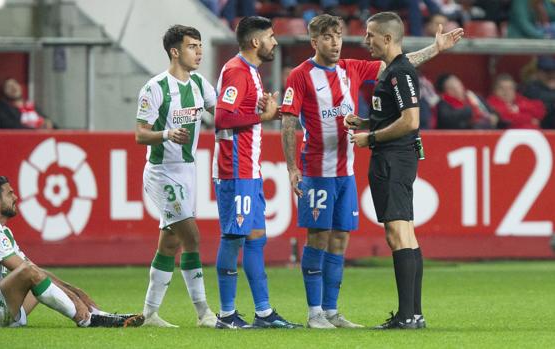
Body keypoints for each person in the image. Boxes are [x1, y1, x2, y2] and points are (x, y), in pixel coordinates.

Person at [280, 13, 462, 329]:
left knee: (339, 241)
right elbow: (287, 121)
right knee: (317, 239)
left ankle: (333, 312)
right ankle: (314, 313)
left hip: (345, 172)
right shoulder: (300, 75)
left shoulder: (351, 68)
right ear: (314, 42)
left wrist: (435, 49)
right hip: (317, 169)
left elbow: (397, 68)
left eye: (338, 35)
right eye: (327, 37)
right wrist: (293, 167)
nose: (335, 42)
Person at [345, 11, 455, 329]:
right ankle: (413, 314)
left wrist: (371, 137)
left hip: (393, 157)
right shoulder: (393, 70)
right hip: (394, 156)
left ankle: (407, 315)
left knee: (397, 233)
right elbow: (396, 115)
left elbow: (411, 121)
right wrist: (366, 122)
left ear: (388, 38)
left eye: (370, 35)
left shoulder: (400, 73)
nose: (366, 40)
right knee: (405, 232)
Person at [0, 176, 144, 328]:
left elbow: (35, 270)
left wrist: (75, 292)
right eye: (10, 194)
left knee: (38, 275)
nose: (16, 197)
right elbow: (27, 271)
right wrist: (74, 299)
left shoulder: (0, 230)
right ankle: (87, 320)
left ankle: (97, 314)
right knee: (31, 273)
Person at [212, 16, 300, 329]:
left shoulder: (250, 71)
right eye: (271, 36)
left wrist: (260, 109)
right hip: (234, 169)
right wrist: (263, 115)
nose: (275, 42)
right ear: (255, 42)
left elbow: (246, 113)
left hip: (249, 169)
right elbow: (222, 118)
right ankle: (226, 315)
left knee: (256, 238)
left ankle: (263, 313)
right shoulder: (237, 71)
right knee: (233, 237)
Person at [135, 25, 217, 328]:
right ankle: (204, 313)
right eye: (192, 46)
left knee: (170, 243)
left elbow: (221, 115)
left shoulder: (199, 84)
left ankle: (149, 314)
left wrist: (258, 112)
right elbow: (140, 135)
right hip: (162, 173)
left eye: (199, 45)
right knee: (192, 237)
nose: (199, 52)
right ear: (175, 51)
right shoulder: (155, 88)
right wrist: (168, 134)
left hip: (188, 172)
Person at [435, 73, 502, 129]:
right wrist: (469, 111)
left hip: (488, 130)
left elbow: (492, 111)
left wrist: (495, 116)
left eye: (457, 84)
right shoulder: (443, 104)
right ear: (445, 92)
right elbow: (447, 119)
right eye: (451, 88)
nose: (456, 89)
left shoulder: (474, 96)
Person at [523, 55, 555, 129]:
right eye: (547, 72)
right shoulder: (531, 87)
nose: (551, 75)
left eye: (553, 71)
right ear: (538, 73)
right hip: (541, 128)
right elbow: (540, 101)